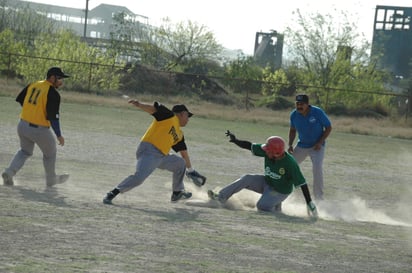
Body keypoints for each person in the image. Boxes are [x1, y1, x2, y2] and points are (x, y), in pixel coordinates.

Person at [103, 100, 205, 205]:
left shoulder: (179, 134)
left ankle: (177, 192)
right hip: (149, 151)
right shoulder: (169, 117)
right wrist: (140, 105)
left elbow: (184, 153)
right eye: (187, 116)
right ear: (182, 114)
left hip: (162, 156)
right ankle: (112, 193)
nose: (188, 120)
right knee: (139, 178)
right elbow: (153, 109)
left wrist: (191, 170)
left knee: (180, 163)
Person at [208, 131, 318, 217]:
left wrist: (309, 203)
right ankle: (221, 197)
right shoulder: (268, 151)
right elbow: (249, 146)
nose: (265, 151)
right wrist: (236, 140)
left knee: (261, 206)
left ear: (276, 153)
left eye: (268, 150)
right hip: (267, 182)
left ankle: (275, 208)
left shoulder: (290, 164)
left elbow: (302, 183)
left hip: (280, 191)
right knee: (247, 178)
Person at [2, 67, 70, 187]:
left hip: (22, 125)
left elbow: (21, 100)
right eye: (59, 78)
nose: (61, 81)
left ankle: (9, 172)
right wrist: (59, 135)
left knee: (24, 151)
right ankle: (51, 179)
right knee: (50, 153)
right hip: (39, 129)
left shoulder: (33, 84)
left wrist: (32, 111)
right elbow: (53, 118)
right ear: (52, 77)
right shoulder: (53, 93)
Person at [288, 94, 332, 200]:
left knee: (317, 169)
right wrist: (290, 144)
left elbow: (328, 127)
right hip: (302, 145)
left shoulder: (317, 112)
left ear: (307, 104)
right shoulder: (294, 115)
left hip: (317, 146)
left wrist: (320, 142)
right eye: (297, 104)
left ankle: (319, 199)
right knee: (289, 166)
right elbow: (293, 130)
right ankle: (282, 191)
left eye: (301, 104)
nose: (299, 106)